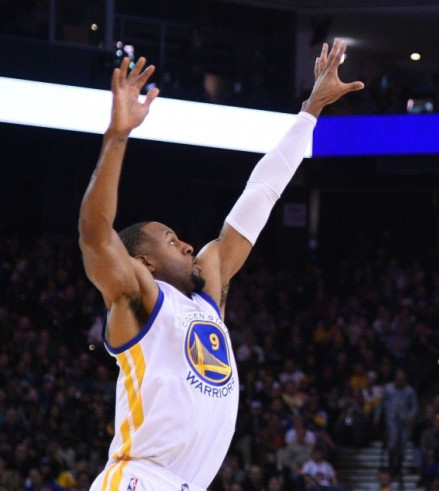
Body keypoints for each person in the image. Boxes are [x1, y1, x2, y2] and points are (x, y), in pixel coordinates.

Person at [79, 39, 363, 491]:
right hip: (138, 478)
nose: (189, 245)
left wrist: (310, 110)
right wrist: (117, 137)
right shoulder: (139, 296)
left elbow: (261, 192)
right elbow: (95, 236)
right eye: (172, 241)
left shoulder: (208, 290)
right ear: (143, 261)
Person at [375, 368, 418, 479]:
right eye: (398, 379)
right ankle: (391, 466)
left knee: (403, 445)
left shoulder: (409, 391)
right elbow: (381, 404)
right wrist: (377, 416)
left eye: (402, 379)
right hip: (392, 420)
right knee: (392, 443)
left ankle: (398, 467)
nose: (400, 381)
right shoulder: (388, 389)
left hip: (404, 421)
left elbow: (414, 407)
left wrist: (410, 416)